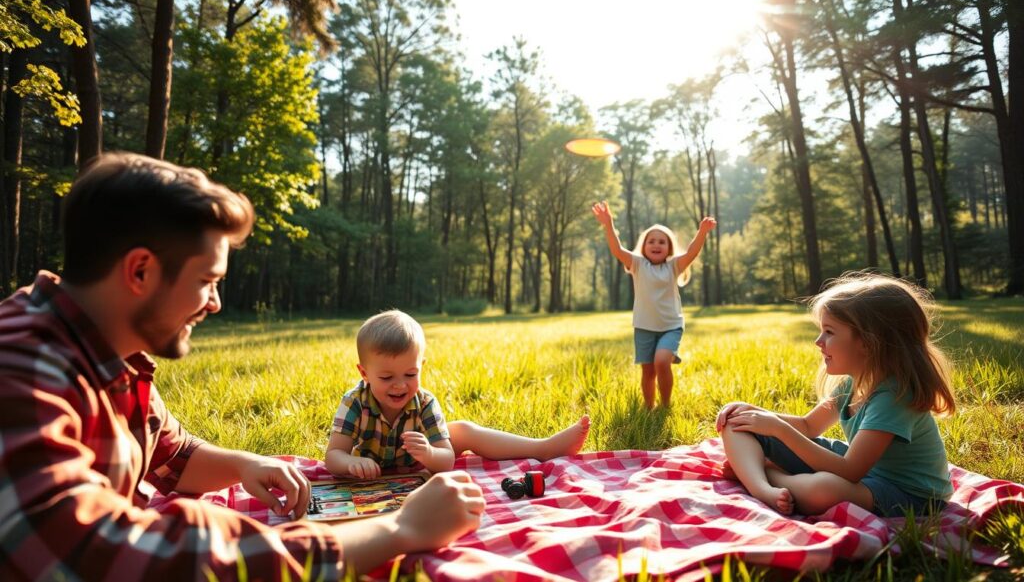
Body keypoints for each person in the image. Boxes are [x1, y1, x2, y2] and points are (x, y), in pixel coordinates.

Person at [0, 153, 484, 580]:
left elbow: (171, 455)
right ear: (140, 271)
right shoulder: (22, 370)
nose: (214, 303)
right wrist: (399, 529)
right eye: (208, 280)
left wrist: (245, 464)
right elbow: (103, 557)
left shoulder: (105, 353)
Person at [715, 272, 956, 517]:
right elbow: (808, 426)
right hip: (866, 472)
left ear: (868, 342)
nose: (818, 341)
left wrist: (777, 428)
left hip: (909, 494)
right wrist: (755, 413)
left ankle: (766, 475)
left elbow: (850, 471)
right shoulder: (854, 383)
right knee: (738, 422)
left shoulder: (894, 397)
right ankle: (761, 487)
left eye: (829, 332)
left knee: (823, 490)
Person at [326, 310, 591, 478]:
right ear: (364, 373)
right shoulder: (354, 402)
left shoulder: (425, 402)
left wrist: (429, 454)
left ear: (421, 367)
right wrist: (350, 463)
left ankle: (542, 448)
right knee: (459, 431)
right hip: (371, 466)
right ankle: (542, 447)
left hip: (415, 459)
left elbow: (445, 459)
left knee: (462, 431)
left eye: (410, 374)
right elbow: (333, 456)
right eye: (386, 378)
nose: (400, 385)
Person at [592, 200, 716, 409]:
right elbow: (617, 249)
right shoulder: (638, 264)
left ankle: (665, 405)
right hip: (644, 327)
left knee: (661, 362)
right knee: (648, 371)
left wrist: (702, 232)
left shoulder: (673, 265)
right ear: (644, 246)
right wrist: (608, 224)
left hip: (671, 326)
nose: (656, 245)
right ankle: (649, 407)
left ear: (668, 247)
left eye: (661, 242)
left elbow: (692, 252)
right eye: (652, 241)